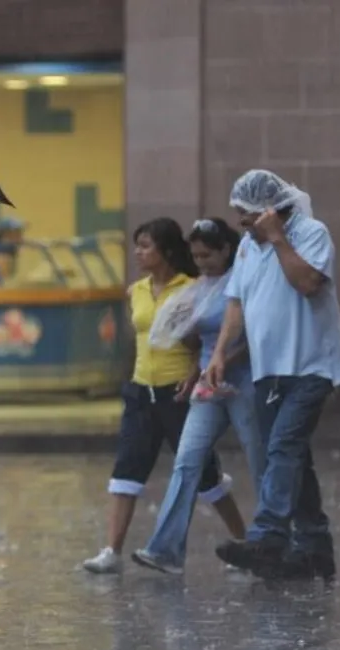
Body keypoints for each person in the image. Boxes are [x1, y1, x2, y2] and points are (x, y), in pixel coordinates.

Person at [206, 169, 340, 581]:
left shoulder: (311, 234)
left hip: (310, 365)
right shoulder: (247, 248)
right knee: (291, 456)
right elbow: (236, 303)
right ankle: (314, 547)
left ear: (270, 211)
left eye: (248, 215)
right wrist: (220, 353)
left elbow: (307, 283)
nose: (241, 223)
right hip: (268, 370)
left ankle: (268, 536)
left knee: (284, 446)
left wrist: (278, 239)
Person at [82, 217, 241, 575]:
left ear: (167, 251)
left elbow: (201, 343)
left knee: (205, 475)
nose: (138, 253)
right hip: (141, 390)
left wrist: (193, 373)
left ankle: (244, 539)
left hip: (178, 392)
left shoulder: (192, 288)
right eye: (136, 246)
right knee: (126, 469)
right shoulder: (135, 291)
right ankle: (112, 550)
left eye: (145, 246)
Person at [131, 218, 258, 575]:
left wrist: (223, 361)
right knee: (187, 461)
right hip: (207, 385)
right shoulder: (199, 288)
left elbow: (256, 337)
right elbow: (195, 342)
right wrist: (182, 330)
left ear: (226, 250)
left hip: (243, 382)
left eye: (207, 256)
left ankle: (271, 540)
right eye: (196, 256)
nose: (201, 263)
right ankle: (166, 550)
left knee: (259, 460)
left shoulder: (243, 282)